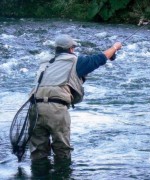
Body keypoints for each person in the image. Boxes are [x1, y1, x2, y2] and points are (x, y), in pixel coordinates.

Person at [29, 34, 122, 162]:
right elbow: (100, 58)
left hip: (34, 108)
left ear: (56, 48)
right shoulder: (75, 61)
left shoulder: (45, 62)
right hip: (56, 109)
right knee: (62, 151)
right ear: (72, 49)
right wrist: (115, 47)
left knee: (38, 152)